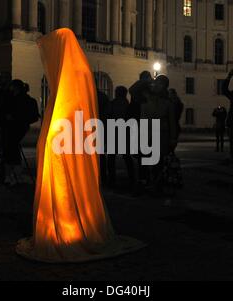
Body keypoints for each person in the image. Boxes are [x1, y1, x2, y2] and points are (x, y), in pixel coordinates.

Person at [16, 28, 145, 263]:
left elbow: (65, 111)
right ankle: (72, 223)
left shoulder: (70, 75)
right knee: (73, 184)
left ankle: (66, 227)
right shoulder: (81, 72)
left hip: (66, 139)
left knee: (65, 187)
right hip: (74, 139)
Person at [141, 75, 178, 199]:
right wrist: (146, 80)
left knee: (159, 163)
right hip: (149, 133)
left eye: (160, 84)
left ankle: (157, 186)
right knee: (148, 162)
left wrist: (173, 138)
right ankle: (151, 185)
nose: (156, 85)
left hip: (161, 134)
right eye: (156, 83)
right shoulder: (146, 98)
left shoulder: (168, 103)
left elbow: (172, 122)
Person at [3, 80, 39, 186]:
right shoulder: (23, 100)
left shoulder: (18, 100)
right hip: (18, 126)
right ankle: (13, 174)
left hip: (16, 126)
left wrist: (14, 117)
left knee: (11, 148)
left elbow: (25, 114)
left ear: (15, 88)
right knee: (12, 148)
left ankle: (12, 175)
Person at [107, 86, 135, 189]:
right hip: (124, 132)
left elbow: (108, 117)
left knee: (111, 158)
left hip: (113, 131)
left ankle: (112, 179)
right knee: (127, 157)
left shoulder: (113, 103)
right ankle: (132, 178)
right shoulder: (127, 104)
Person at [129, 71, 153, 186]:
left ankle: (142, 178)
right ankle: (146, 178)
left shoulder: (135, 94)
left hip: (137, 123)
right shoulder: (146, 92)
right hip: (145, 124)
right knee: (145, 154)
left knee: (140, 155)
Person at [97, 89, 110, 186]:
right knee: (100, 154)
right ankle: (103, 177)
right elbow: (107, 114)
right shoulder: (103, 96)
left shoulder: (84, 94)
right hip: (100, 126)